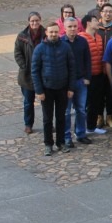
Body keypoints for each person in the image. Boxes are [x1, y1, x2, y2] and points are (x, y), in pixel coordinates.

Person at [31, 23, 75, 156]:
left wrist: (71, 88)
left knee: (61, 117)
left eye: (56, 32)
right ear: (46, 33)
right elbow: (35, 71)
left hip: (62, 88)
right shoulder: (39, 49)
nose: (54, 34)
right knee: (47, 119)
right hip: (47, 89)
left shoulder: (65, 47)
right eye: (51, 32)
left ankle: (60, 142)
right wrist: (39, 91)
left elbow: (72, 68)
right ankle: (48, 144)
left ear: (59, 32)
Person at [62, 17, 92, 147]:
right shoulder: (61, 42)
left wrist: (87, 77)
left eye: (75, 26)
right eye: (70, 26)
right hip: (66, 83)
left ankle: (80, 134)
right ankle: (66, 136)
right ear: (64, 28)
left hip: (80, 81)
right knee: (66, 112)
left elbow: (87, 60)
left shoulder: (83, 41)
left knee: (81, 109)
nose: (73, 29)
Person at [14, 12, 45, 134]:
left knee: (46, 102)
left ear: (40, 20)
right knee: (28, 102)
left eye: (37, 20)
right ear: (29, 22)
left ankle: (47, 123)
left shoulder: (46, 34)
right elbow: (17, 53)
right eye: (32, 21)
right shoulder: (22, 36)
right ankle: (28, 124)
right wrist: (24, 66)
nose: (35, 23)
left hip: (43, 74)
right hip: (27, 75)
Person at [79, 15, 107, 135]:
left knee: (95, 102)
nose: (98, 22)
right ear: (88, 23)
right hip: (87, 77)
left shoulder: (99, 37)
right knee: (83, 104)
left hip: (99, 74)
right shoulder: (81, 38)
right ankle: (80, 129)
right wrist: (84, 76)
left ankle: (91, 126)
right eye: (95, 20)